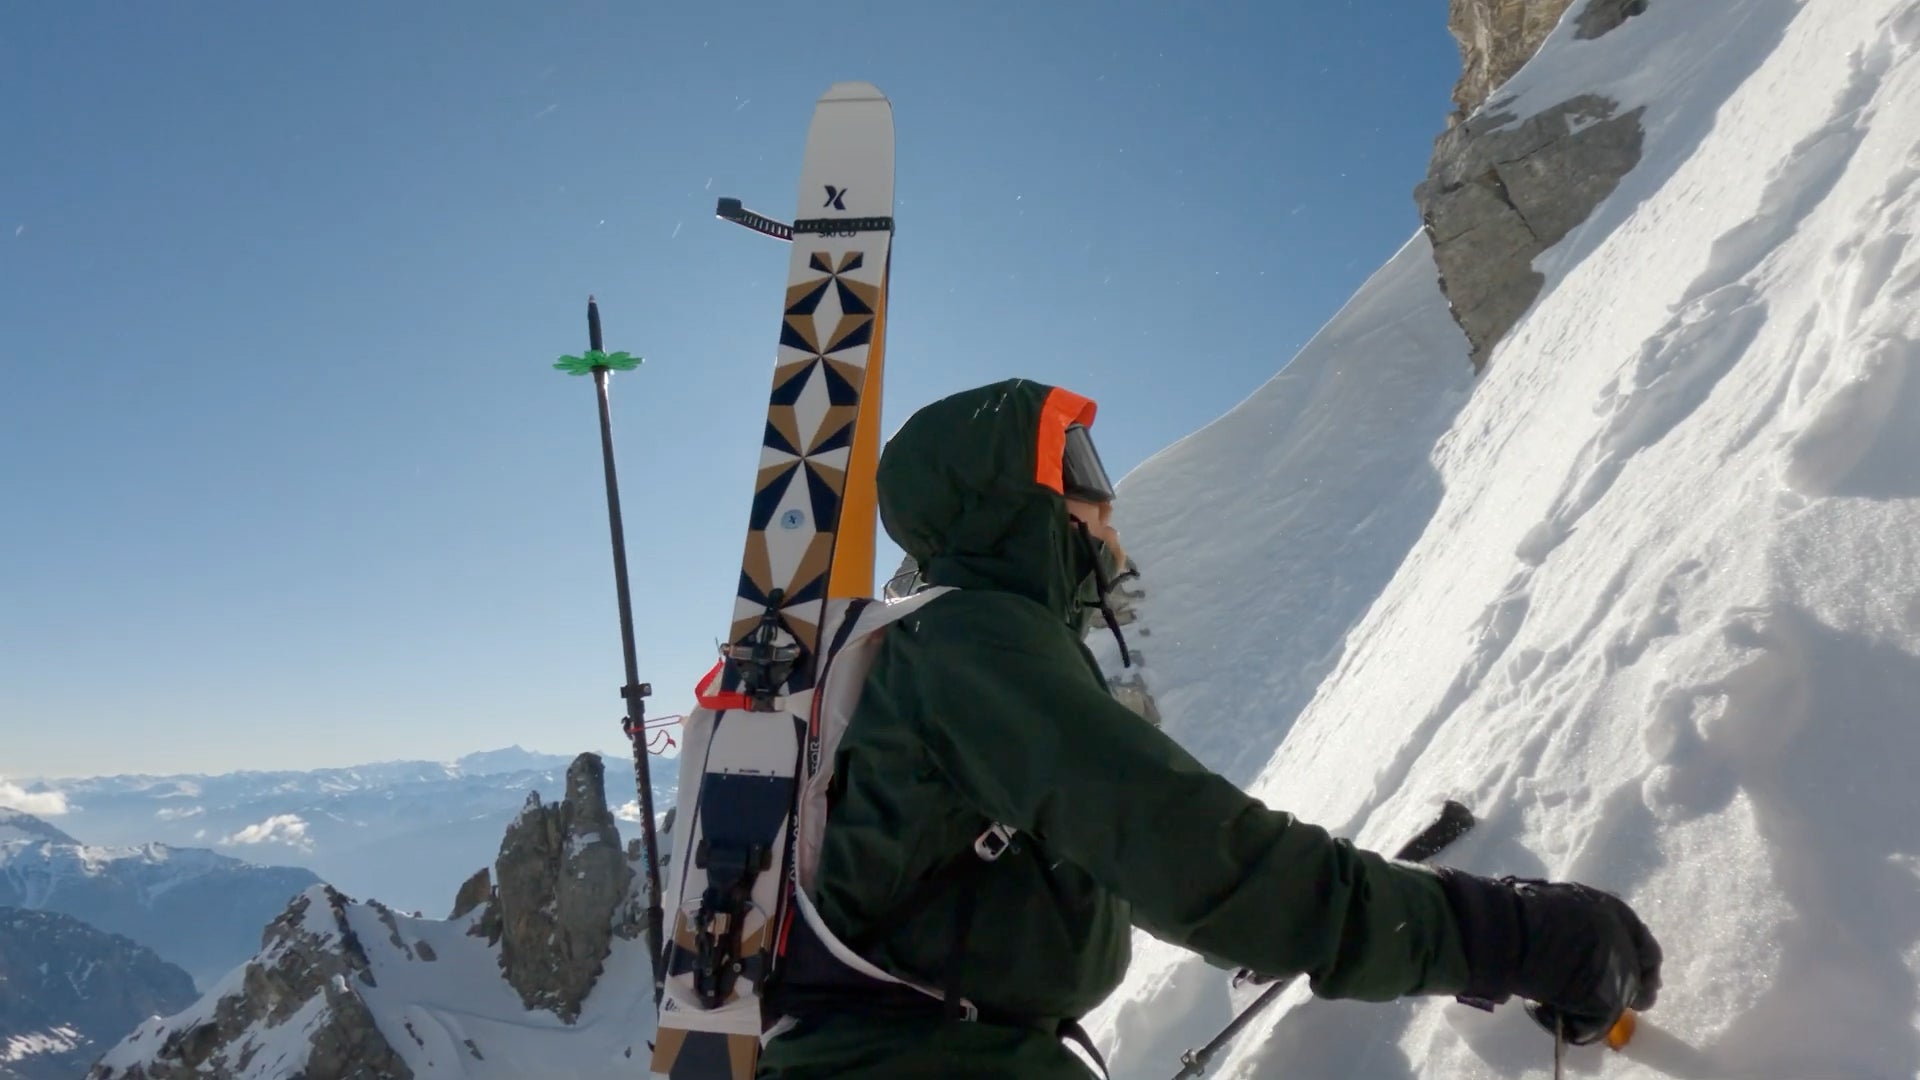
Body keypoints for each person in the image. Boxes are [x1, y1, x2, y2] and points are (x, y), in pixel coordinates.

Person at [756, 378, 1661, 1079]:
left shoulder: (956, 649)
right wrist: (1503, 935)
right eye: (1079, 472)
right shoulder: (972, 640)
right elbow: (1189, 855)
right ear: (1009, 498)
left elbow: (1136, 860)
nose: (1106, 507)